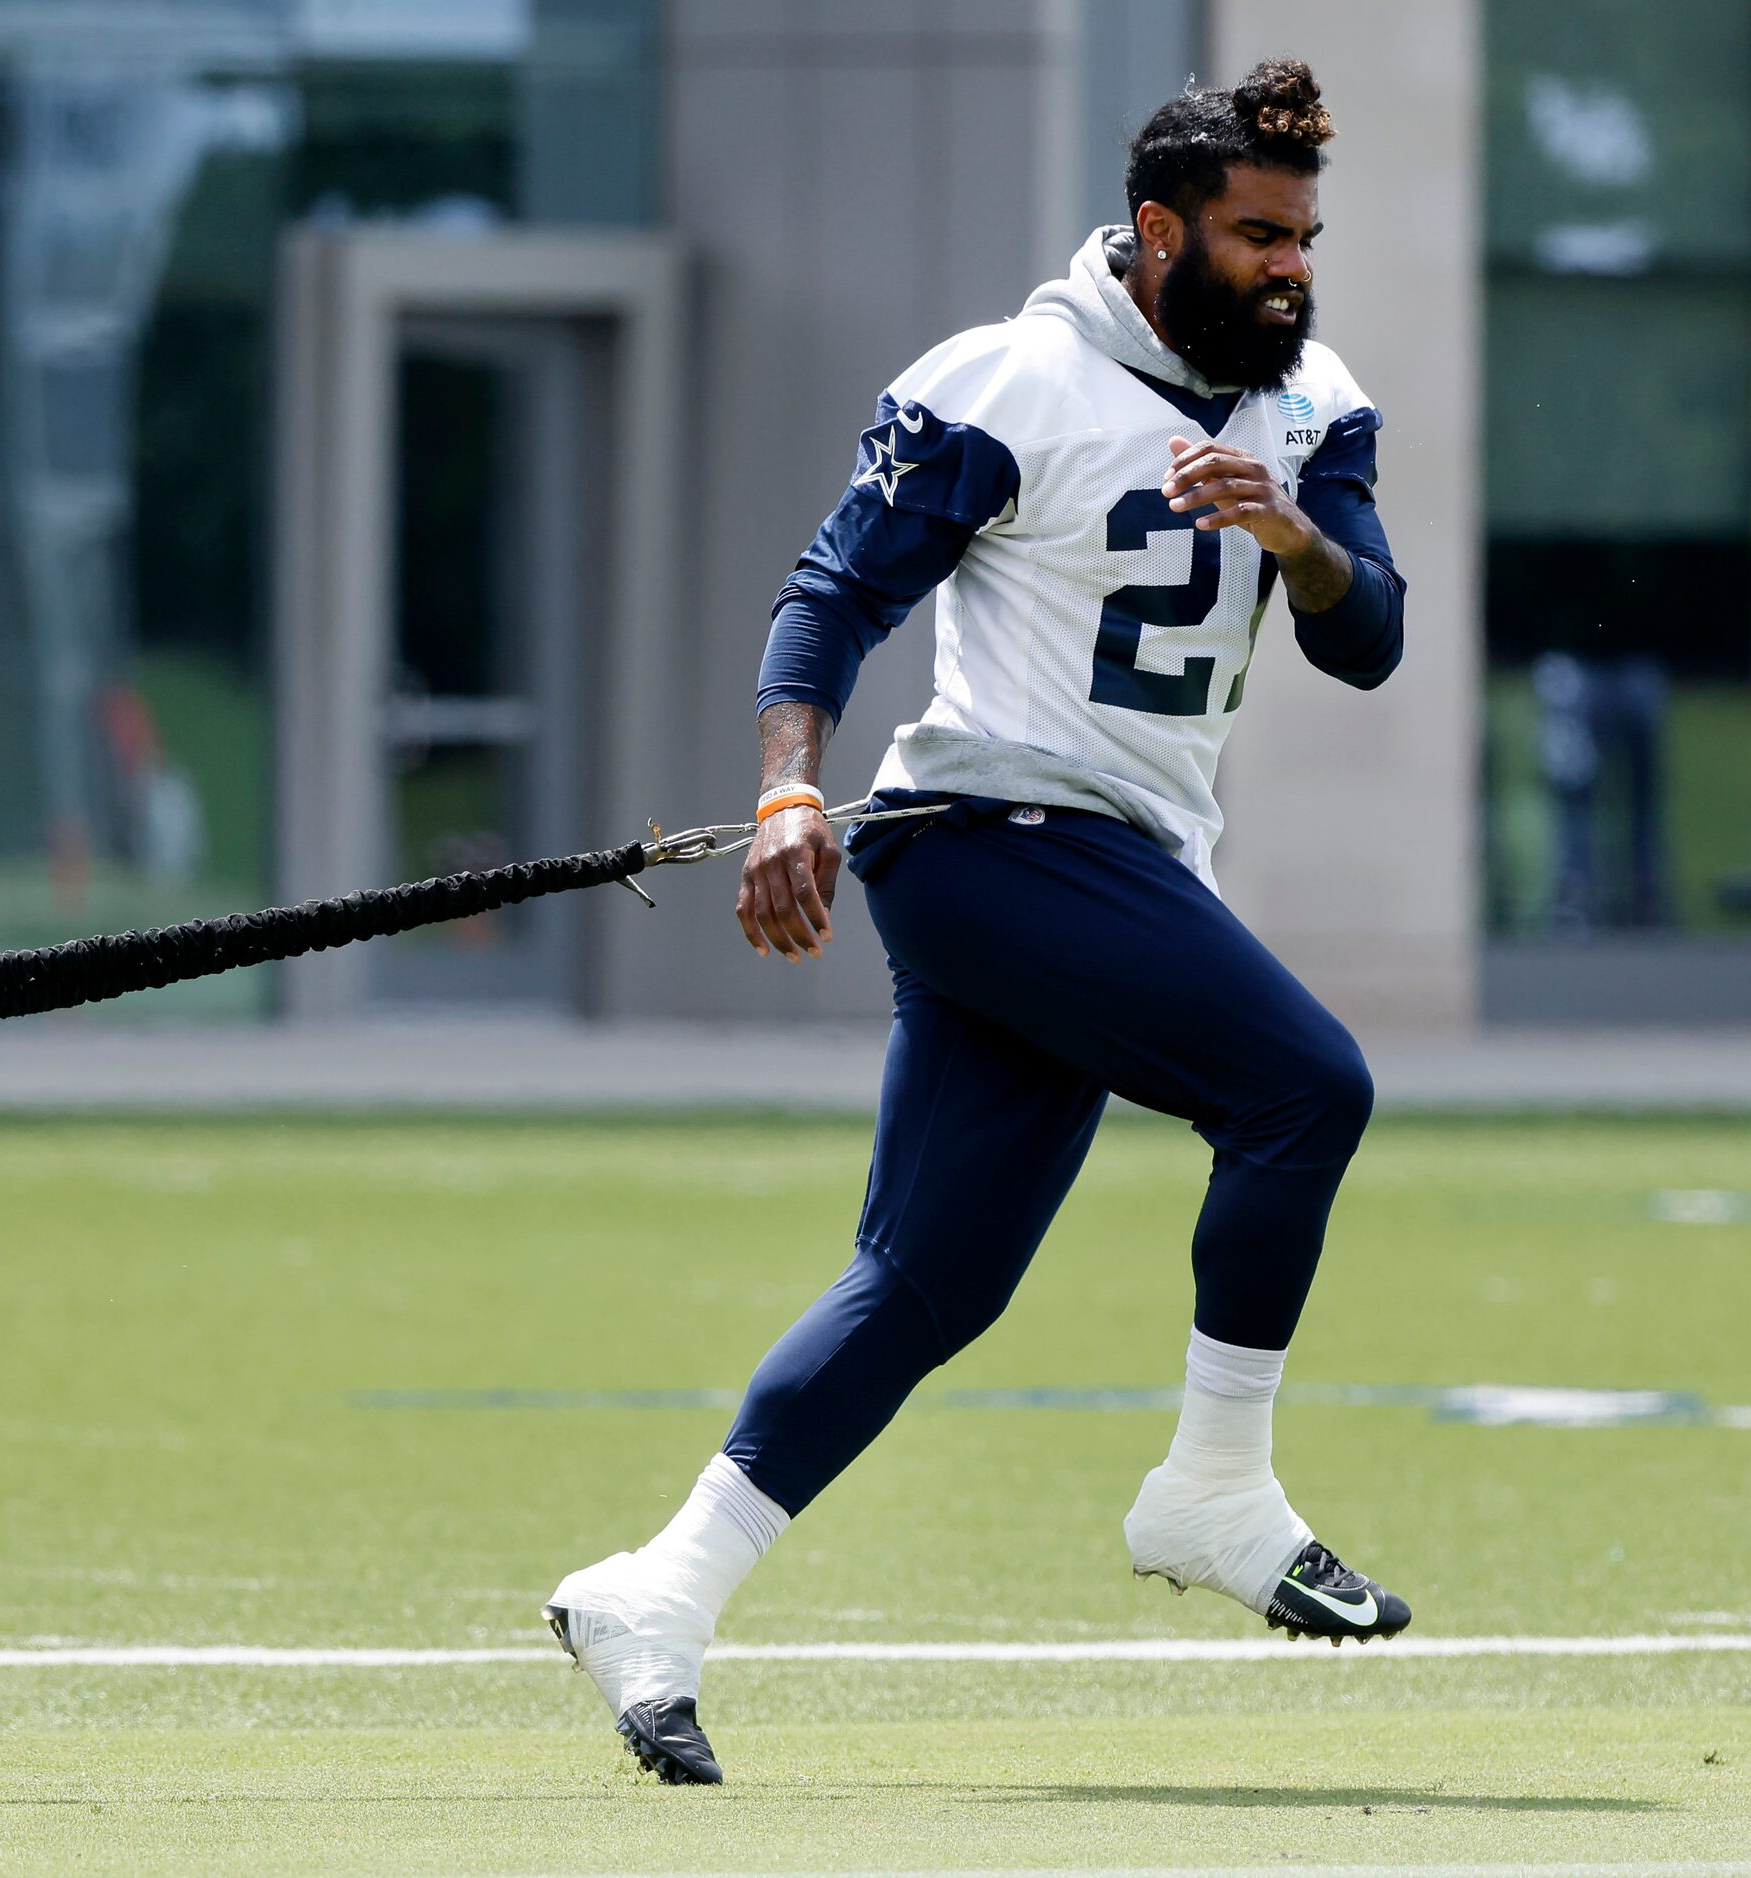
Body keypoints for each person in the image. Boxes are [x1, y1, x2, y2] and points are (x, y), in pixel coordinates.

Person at [544, 59, 1411, 1785]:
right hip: (986, 835)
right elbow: (830, 601)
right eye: (1255, 234)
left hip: (1116, 867)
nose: (1290, 267)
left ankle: (656, 1591)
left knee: (924, 1280)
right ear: (1158, 229)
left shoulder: (1310, 405)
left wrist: (1294, 536)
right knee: (1305, 1089)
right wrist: (790, 792)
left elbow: (1367, 634)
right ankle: (1215, 1489)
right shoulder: (1005, 380)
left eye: (1304, 235)